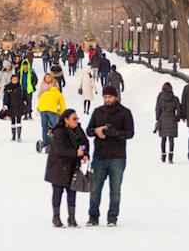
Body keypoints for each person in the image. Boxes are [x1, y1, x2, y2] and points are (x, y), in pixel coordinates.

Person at [86, 85, 134, 227]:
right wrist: (96, 131)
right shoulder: (97, 112)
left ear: (116, 97)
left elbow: (130, 133)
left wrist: (115, 133)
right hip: (99, 156)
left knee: (115, 190)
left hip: (117, 157)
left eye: (110, 97)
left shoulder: (125, 112)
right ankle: (93, 216)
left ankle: (112, 217)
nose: (107, 99)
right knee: (95, 189)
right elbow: (88, 130)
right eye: (105, 97)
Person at [45, 109, 88, 227]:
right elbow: (60, 150)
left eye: (77, 118)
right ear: (66, 120)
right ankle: (56, 216)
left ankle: (72, 217)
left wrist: (85, 154)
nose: (76, 121)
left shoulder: (78, 130)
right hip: (58, 167)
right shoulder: (59, 132)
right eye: (74, 119)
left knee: (72, 191)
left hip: (72, 166)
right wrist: (76, 153)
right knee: (57, 192)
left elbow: (84, 143)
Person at [36, 74, 67, 153]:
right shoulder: (59, 94)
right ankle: (58, 142)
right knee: (57, 127)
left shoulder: (45, 93)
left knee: (44, 128)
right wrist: (61, 114)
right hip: (52, 111)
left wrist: (40, 110)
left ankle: (45, 143)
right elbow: (63, 106)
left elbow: (40, 103)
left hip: (43, 111)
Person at [154, 83, 182, 163]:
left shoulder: (160, 98)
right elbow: (179, 109)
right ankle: (170, 157)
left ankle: (163, 156)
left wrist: (157, 118)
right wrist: (177, 118)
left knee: (163, 139)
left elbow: (157, 109)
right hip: (172, 119)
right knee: (171, 139)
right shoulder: (175, 98)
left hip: (163, 119)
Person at [3, 73, 26, 141]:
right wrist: (5, 105)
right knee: (13, 121)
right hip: (11, 106)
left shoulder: (21, 87)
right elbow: (5, 97)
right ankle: (13, 136)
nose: (15, 80)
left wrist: (25, 101)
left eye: (16, 79)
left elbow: (24, 96)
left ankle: (19, 136)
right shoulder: (7, 88)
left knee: (19, 121)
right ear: (11, 80)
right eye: (13, 79)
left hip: (19, 106)